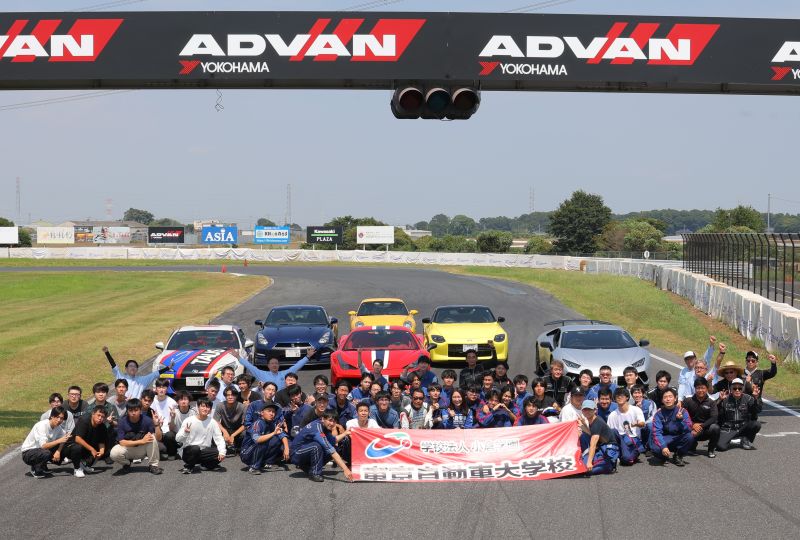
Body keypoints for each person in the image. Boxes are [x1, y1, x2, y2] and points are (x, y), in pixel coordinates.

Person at [290, 411, 353, 482]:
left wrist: (345, 433)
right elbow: (330, 450)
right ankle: (315, 473)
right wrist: (345, 469)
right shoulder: (317, 428)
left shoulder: (324, 426)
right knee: (316, 447)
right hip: (296, 454)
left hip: (306, 451)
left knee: (334, 447)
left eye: (334, 421)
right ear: (323, 419)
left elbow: (333, 441)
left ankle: (308, 467)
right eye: (330, 420)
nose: (332, 423)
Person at [110, 398, 163, 475]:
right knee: (113, 453)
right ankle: (126, 464)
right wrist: (141, 441)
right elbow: (121, 442)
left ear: (140, 410)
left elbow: (159, 438)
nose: (133, 413)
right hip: (128, 449)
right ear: (127, 411)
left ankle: (153, 465)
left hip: (143, 449)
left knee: (152, 438)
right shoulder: (122, 422)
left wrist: (157, 425)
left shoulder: (147, 420)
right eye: (130, 410)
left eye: (136, 410)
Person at [175, 397, 227, 473]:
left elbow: (219, 438)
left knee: (218, 452)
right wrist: (185, 433)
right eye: (203, 406)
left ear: (210, 410)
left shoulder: (212, 422)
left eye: (208, 407)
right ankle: (189, 467)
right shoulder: (189, 420)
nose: (205, 409)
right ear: (197, 407)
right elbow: (177, 439)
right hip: (189, 451)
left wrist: (222, 452)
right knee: (195, 448)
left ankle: (205, 465)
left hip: (203, 451)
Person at [102, 345, 173, 399]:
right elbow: (114, 366)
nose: (133, 368)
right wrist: (107, 353)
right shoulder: (121, 377)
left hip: (136, 408)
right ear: (126, 369)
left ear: (137, 369)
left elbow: (155, 374)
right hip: (122, 406)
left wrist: (167, 368)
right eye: (130, 366)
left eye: (135, 366)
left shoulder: (142, 380)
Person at [240, 400, 289, 475]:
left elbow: (282, 435)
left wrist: (286, 448)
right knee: (262, 442)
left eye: (273, 412)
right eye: (269, 411)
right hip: (246, 453)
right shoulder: (257, 424)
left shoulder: (272, 424)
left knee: (277, 439)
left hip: (258, 450)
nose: (271, 414)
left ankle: (267, 463)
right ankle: (253, 467)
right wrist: (273, 433)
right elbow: (258, 440)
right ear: (262, 413)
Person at [236, 347, 317, 391]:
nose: (274, 365)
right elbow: (250, 367)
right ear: (268, 365)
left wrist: (307, 356)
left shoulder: (285, 374)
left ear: (279, 365)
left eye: (276, 363)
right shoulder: (262, 374)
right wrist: (238, 357)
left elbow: (297, 366)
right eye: (272, 363)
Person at [21, 406, 69, 479]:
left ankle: (43, 466)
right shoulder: (42, 425)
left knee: (65, 448)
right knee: (46, 453)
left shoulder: (58, 428)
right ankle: (35, 469)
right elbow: (43, 446)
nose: (59, 420)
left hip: (40, 450)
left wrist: (58, 451)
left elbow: (64, 438)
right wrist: (59, 441)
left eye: (62, 418)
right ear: (52, 416)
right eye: (57, 417)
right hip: (28, 453)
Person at [650, 387, 693, 466]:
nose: (668, 399)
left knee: (689, 437)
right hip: (666, 438)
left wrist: (681, 420)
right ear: (662, 400)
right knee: (655, 448)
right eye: (665, 397)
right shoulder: (658, 414)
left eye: (670, 396)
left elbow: (689, 428)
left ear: (675, 398)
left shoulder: (682, 411)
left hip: (678, 437)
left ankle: (678, 455)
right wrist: (663, 446)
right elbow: (656, 432)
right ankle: (664, 456)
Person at [717, 377, 762, 451]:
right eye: (735, 388)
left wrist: (756, 398)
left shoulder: (749, 398)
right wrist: (720, 401)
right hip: (729, 428)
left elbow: (757, 410)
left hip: (743, 427)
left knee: (756, 424)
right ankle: (728, 438)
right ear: (731, 389)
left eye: (740, 388)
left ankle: (746, 438)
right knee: (720, 447)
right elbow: (716, 413)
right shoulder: (725, 398)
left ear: (742, 389)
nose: (737, 390)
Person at [63, 406, 109, 477]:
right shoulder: (84, 420)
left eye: (102, 417)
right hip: (71, 446)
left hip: (86, 446)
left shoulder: (102, 427)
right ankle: (77, 469)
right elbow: (77, 439)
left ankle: (84, 464)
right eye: (98, 415)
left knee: (105, 450)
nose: (100, 418)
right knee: (77, 447)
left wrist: (102, 451)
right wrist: (92, 449)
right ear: (93, 414)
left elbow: (101, 441)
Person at [577, 400, 619, 475]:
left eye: (589, 409)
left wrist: (589, 462)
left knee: (586, 469)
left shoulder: (597, 423)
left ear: (595, 410)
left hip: (607, 450)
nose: (587, 411)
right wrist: (584, 425)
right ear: (582, 411)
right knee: (583, 435)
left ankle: (609, 465)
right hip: (600, 447)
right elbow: (591, 433)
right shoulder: (593, 419)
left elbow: (593, 444)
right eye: (585, 409)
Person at [682, 377, 720, 458]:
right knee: (681, 425)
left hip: (705, 428)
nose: (700, 390)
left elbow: (714, 417)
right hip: (691, 428)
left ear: (706, 389)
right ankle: (691, 447)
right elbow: (683, 415)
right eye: (698, 388)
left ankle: (711, 449)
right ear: (695, 388)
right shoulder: (688, 400)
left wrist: (701, 426)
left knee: (715, 428)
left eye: (703, 388)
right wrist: (692, 425)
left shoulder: (712, 401)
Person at [606, 388, 645, 465]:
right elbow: (609, 433)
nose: (619, 398)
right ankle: (617, 452)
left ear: (627, 397)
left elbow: (642, 424)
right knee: (613, 431)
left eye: (622, 396)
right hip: (620, 439)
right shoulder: (612, 415)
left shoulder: (636, 410)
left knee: (626, 460)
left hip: (633, 439)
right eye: (617, 396)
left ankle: (626, 454)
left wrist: (637, 424)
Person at [678, 336, 716, 402]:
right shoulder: (683, 371)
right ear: (685, 361)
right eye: (687, 359)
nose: (689, 360)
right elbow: (682, 385)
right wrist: (679, 399)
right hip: (689, 399)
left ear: (695, 359)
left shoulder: (700, 365)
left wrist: (711, 344)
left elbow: (707, 357)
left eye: (691, 358)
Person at [85, 383, 116, 464]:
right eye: (98, 392)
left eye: (103, 392)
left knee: (113, 430)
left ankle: (107, 454)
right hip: (94, 433)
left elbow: (118, 423)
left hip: (107, 433)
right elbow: (87, 423)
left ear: (107, 394)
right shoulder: (89, 408)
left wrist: (111, 421)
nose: (101, 394)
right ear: (94, 393)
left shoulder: (111, 407)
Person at [150, 379, 178, 459]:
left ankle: (172, 453)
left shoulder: (172, 402)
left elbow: (174, 424)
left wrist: (172, 417)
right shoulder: (151, 400)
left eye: (164, 387)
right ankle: (163, 450)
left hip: (168, 431)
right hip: (156, 430)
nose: (161, 390)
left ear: (167, 388)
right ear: (156, 388)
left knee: (169, 436)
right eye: (159, 387)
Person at [214, 386, 246, 455]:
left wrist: (233, 435)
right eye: (228, 395)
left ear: (236, 396)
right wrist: (224, 431)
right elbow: (216, 421)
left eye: (232, 395)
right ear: (225, 396)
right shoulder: (220, 405)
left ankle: (238, 447)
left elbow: (245, 424)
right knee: (214, 429)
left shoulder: (242, 406)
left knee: (246, 433)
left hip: (237, 430)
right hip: (225, 428)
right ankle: (220, 446)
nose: (230, 397)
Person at [168, 390, 196, 457]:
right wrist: (172, 418)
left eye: (185, 399)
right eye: (181, 399)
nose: (183, 401)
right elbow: (171, 429)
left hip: (189, 436)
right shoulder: (174, 412)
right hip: (177, 437)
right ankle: (172, 453)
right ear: (177, 402)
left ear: (189, 401)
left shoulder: (193, 412)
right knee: (168, 435)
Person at [630, 385, 656, 450]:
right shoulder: (631, 406)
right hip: (637, 426)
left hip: (646, 425)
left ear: (643, 394)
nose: (637, 395)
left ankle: (649, 446)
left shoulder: (650, 403)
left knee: (650, 425)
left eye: (639, 393)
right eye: (635, 393)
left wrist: (643, 423)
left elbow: (653, 417)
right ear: (632, 395)